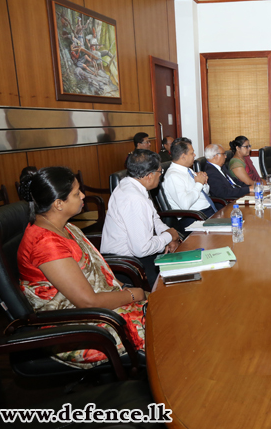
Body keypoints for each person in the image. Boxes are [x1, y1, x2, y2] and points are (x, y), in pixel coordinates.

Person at [17, 167, 147, 369]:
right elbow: (87, 302)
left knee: (165, 308)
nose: (83, 196)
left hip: (95, 311)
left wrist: (125, 289)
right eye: (77, 193)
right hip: (76, 327)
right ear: (59, 204)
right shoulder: (45, 243)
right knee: (160, 325)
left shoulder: (64, 227)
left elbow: (96, 273)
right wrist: (135, 294)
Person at [102, 150, 181, 286]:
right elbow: (141, 249)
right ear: (150, 175)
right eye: (160, 173)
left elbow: (154, 218)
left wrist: (168, 235)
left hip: (136, 256)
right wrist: (168, 236)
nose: (161, 177)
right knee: (179, 278)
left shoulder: (132, 185)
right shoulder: (134, 198)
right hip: (128, 265)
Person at [163, 138, 217, 223]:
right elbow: (185, 205)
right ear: (183, 156)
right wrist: (199, 183)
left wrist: (204, 182)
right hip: (194, 217)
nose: (194, 155)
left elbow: (205, 193)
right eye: (192, 153)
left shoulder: (188, 170)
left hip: (207, 211)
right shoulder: (173, 176)